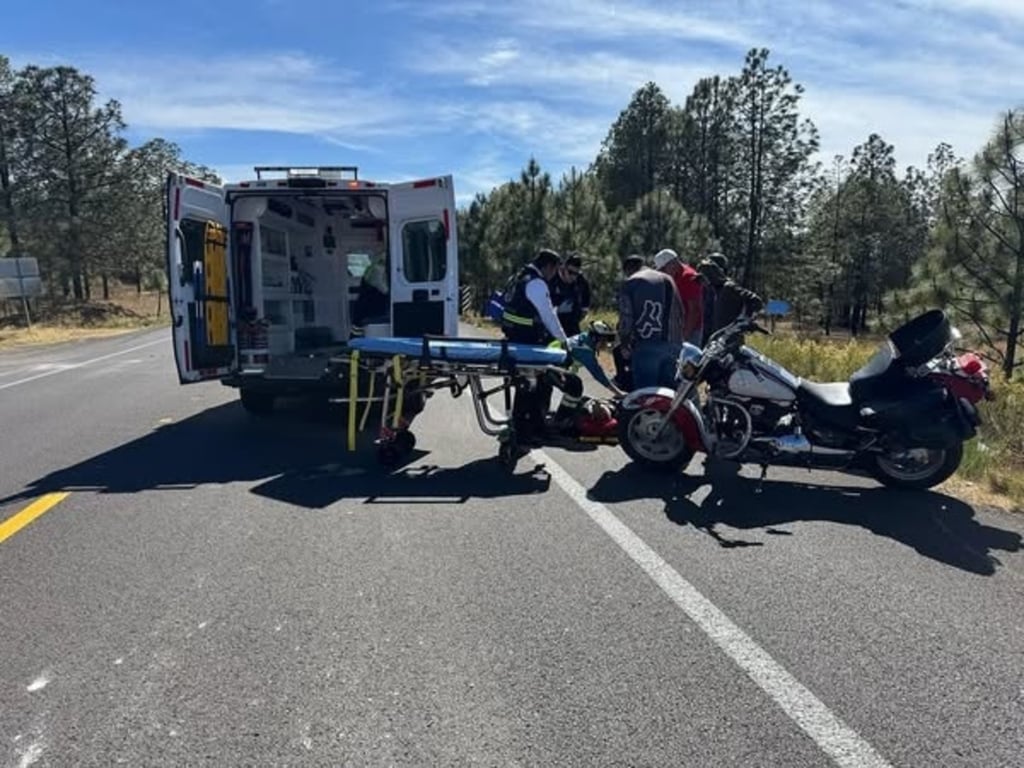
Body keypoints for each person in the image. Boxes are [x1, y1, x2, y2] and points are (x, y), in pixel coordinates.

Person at [500, 248, 569, 444]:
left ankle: (527, 428)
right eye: (555, 270)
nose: (554, 275)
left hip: (514, 336)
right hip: (526, 339)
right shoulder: (537, 283)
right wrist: (563, 341)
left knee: (526, 385)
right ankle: (525, 432)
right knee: (529, 386)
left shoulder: (519, 277)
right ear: (549, 267)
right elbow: (548, 315)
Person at [617, 253, 686, 389]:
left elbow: (626, 317)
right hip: (674, 345)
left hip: (646, 345)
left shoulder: (631, 282)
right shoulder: (669, 279)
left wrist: (624, 342)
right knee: (669, 395)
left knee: (646, 394)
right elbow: (681, 312)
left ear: (628, 270)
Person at [697, 257, 764, 338]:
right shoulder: (711, 290)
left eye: (704, 278)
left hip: (728, 337)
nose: (703, 282)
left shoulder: (729, 287)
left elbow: (756, 301)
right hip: (712, 336)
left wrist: (744, 319)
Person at [653, 248, 704, 347]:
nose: (662, 273)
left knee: (688, 360)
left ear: (673, 264)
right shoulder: (674, 276)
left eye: (663, 269)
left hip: (691, 330)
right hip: (679, 328)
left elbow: (694, 310)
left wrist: (684, 337)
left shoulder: (688, 277)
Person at [548, 253, 590, 337]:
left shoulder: (581, 282)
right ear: (563, 268)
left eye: (576, 274)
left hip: (572, 326)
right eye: (570, 272)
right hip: (552, 326)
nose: (573, 277)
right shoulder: (552, 279)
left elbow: (585, 307)